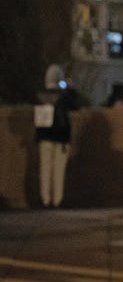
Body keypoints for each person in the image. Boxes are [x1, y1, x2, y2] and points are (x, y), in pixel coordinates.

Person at [35, 64, 89, 208]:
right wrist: (70, 88)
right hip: (61, 137)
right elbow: (77, 104)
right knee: (58, 170)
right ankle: (57, 200)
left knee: (45, 169)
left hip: (44, 136)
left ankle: (45, 199)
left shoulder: (40, 95)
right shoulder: (64, 96)